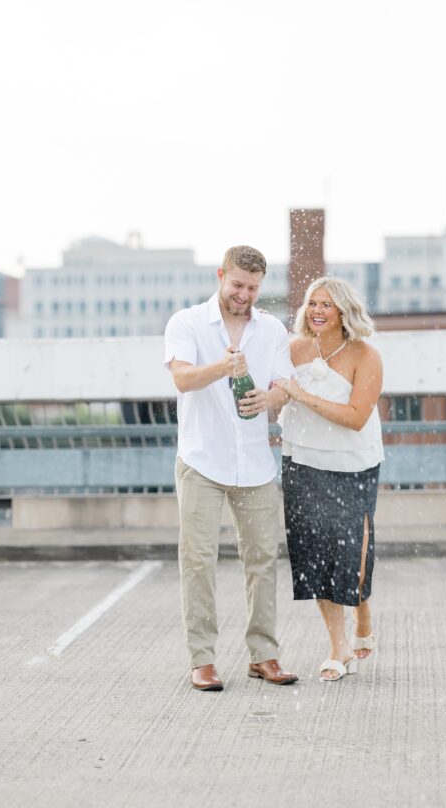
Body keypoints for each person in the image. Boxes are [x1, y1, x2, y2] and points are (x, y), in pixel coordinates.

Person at [164, 245, 298, 692]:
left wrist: (270, 398)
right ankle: (202, 661)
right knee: (198, 560)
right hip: (202, 459)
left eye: (253, 287)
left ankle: (265, 656)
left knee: (262, 560)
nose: (244, 294)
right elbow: (182, 378)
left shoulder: (273, 328)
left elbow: (284, 385)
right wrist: (223, 366)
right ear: (222, 276)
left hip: (256, 465)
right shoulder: (186, 323)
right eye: (238, 284)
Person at [275, 276, 383, 682]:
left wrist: (301, 395)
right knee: (315, 555)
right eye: (312, 303)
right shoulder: (293, 349)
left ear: (344, 311)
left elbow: (356, 418)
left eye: (327, 304)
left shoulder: (365, 355)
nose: (317, 311)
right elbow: (277, 393)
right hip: (302, 461)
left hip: (354, 465)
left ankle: (363, 612)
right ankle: (338, 647)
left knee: (353, 559)